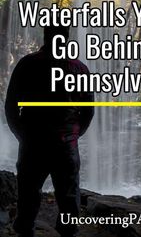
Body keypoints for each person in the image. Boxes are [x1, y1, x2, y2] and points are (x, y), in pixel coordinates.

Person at [5, 22, 94, 237]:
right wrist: (73, 135)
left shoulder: (27, 64)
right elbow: (88, 112)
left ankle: (25, 231)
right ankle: (68, 233)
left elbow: (10, 106)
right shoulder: (79, 68)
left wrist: (22, 135)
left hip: (33, 143)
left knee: (28, 196)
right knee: (69, 198)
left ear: (45, 38)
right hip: (65, 146)